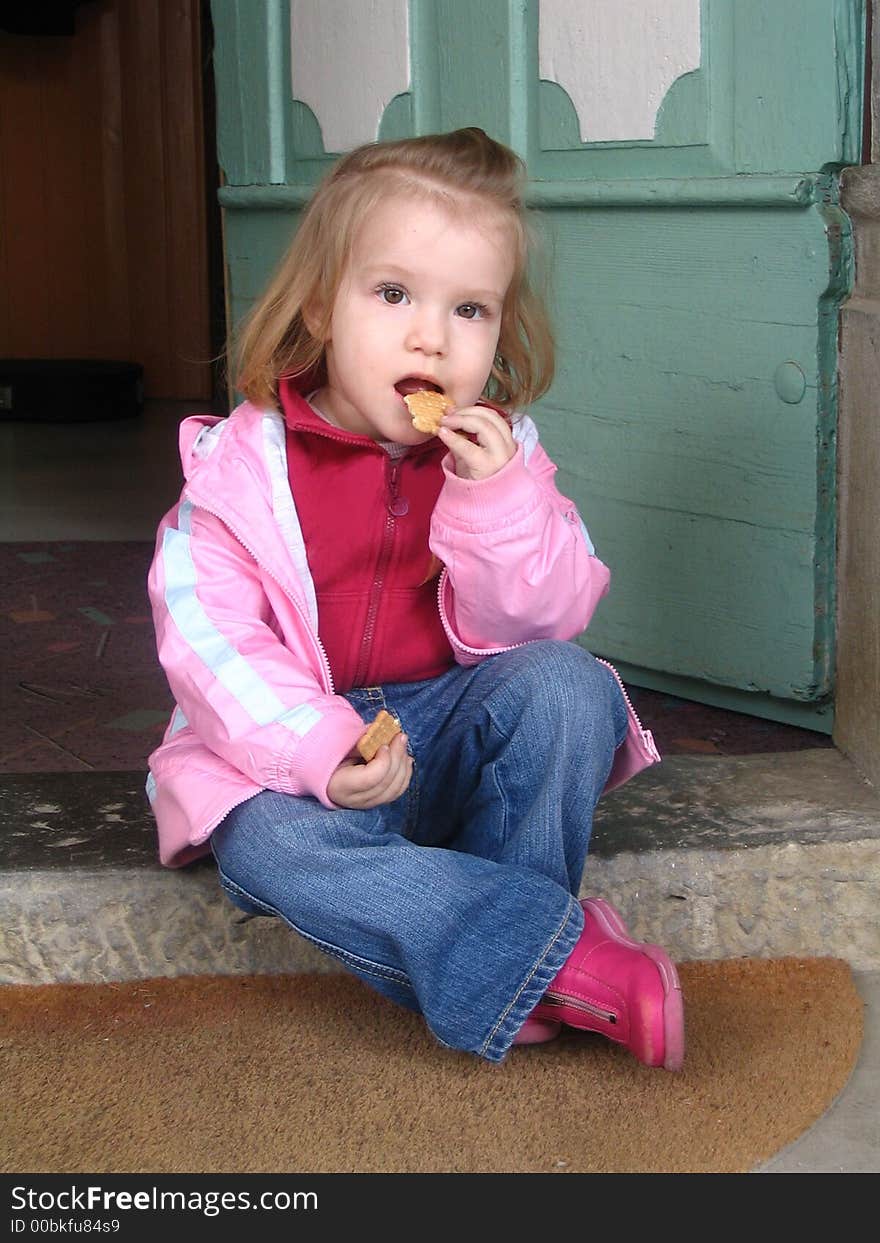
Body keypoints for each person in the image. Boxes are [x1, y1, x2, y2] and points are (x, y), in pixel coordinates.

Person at [146, 127, 682, 1069]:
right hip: (301, 759)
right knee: (257, 837)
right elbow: (208, 642)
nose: (430, 334)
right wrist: (320, 746)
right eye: (393, 294)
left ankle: (514, 956)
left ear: (500, 329)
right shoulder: (236, 470)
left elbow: (552, 622)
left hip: (449, 737)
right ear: (321, 306)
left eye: (468, 308)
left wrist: (502, 503)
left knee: (569, 685)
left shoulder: (502, 458)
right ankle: (556, 958)